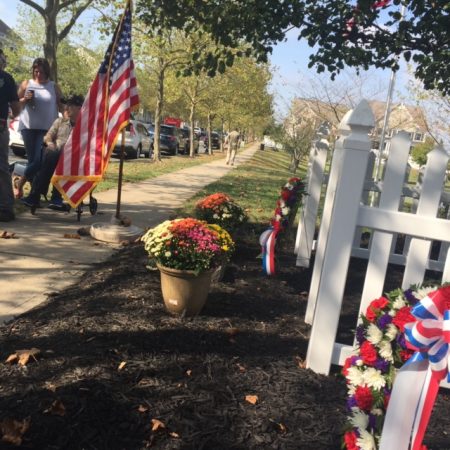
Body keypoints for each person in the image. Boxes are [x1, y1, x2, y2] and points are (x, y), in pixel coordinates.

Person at [21, 94, 84, 212]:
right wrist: (49, 142)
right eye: (66, 105)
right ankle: (54, 198)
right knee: (52, 153)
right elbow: (48, 136)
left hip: (74, 157)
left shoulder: (85, 126)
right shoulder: (60, 121)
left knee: (54, 155)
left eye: (70, 105)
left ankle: (35, 196)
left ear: (79, 108)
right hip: (55, 154)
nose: (66, 108)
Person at [15, 58, 62, 198]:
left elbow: (62, 106)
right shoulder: (26, 84)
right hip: (28, 128)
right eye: (36, 71)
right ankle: (34, 195)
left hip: (47, 130)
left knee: (39, 161)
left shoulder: (54, 86)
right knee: (32, 162)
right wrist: (25, 100)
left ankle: (20, 183)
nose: (38, 74)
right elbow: (16, 105)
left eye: (41, 71)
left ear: (47, 71)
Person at [0, 49, 20, 222]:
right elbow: (16, 109)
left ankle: (6, 208)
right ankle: (6, 208)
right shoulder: (7, 79)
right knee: (2, 168)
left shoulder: (6, 78)